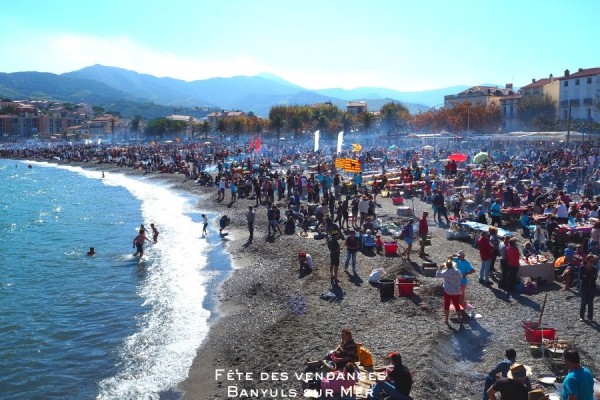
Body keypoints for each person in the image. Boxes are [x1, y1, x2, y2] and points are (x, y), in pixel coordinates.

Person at [436, 259, 463, 324]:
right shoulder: (457, 271)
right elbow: (461, 277)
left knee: (446, 304)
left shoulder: (445, 272)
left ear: (446, 266)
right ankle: (459, 318)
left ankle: (446, 319)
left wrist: (440, 269)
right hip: (456, 290)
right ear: (452, 265)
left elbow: (437, 275)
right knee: (456, 304)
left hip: (447, 290)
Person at [578, 254, 598, 322]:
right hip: (584, 285)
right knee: (583, 302)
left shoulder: (595, 268)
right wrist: (590, 277)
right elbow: (581, 277)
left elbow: (595, 277)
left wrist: (587, 276)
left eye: (593, 261)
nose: (592, 262)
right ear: (587, 260)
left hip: (592, 286)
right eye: (591, 261)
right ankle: (582, 316)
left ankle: (590, 317)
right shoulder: (582, 267)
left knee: (590, 302)